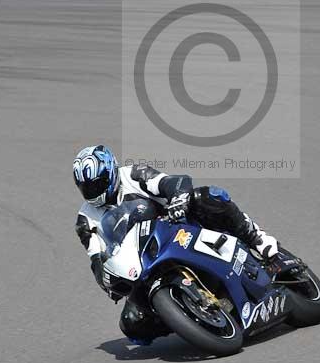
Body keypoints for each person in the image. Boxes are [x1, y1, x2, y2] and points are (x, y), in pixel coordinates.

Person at [72, 144, 280, 343]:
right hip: (139, 261)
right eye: (85, 188)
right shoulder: (85, 219)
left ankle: (257, 237)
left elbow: (172, 182)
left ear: (111, 172)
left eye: (96, 184)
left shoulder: (134, 174)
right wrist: (107, 280)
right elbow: (96, 257)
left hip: (173, 228)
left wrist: (178, 200)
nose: (92, 191)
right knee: (132, 324)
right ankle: (188, 317)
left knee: (208, 197)